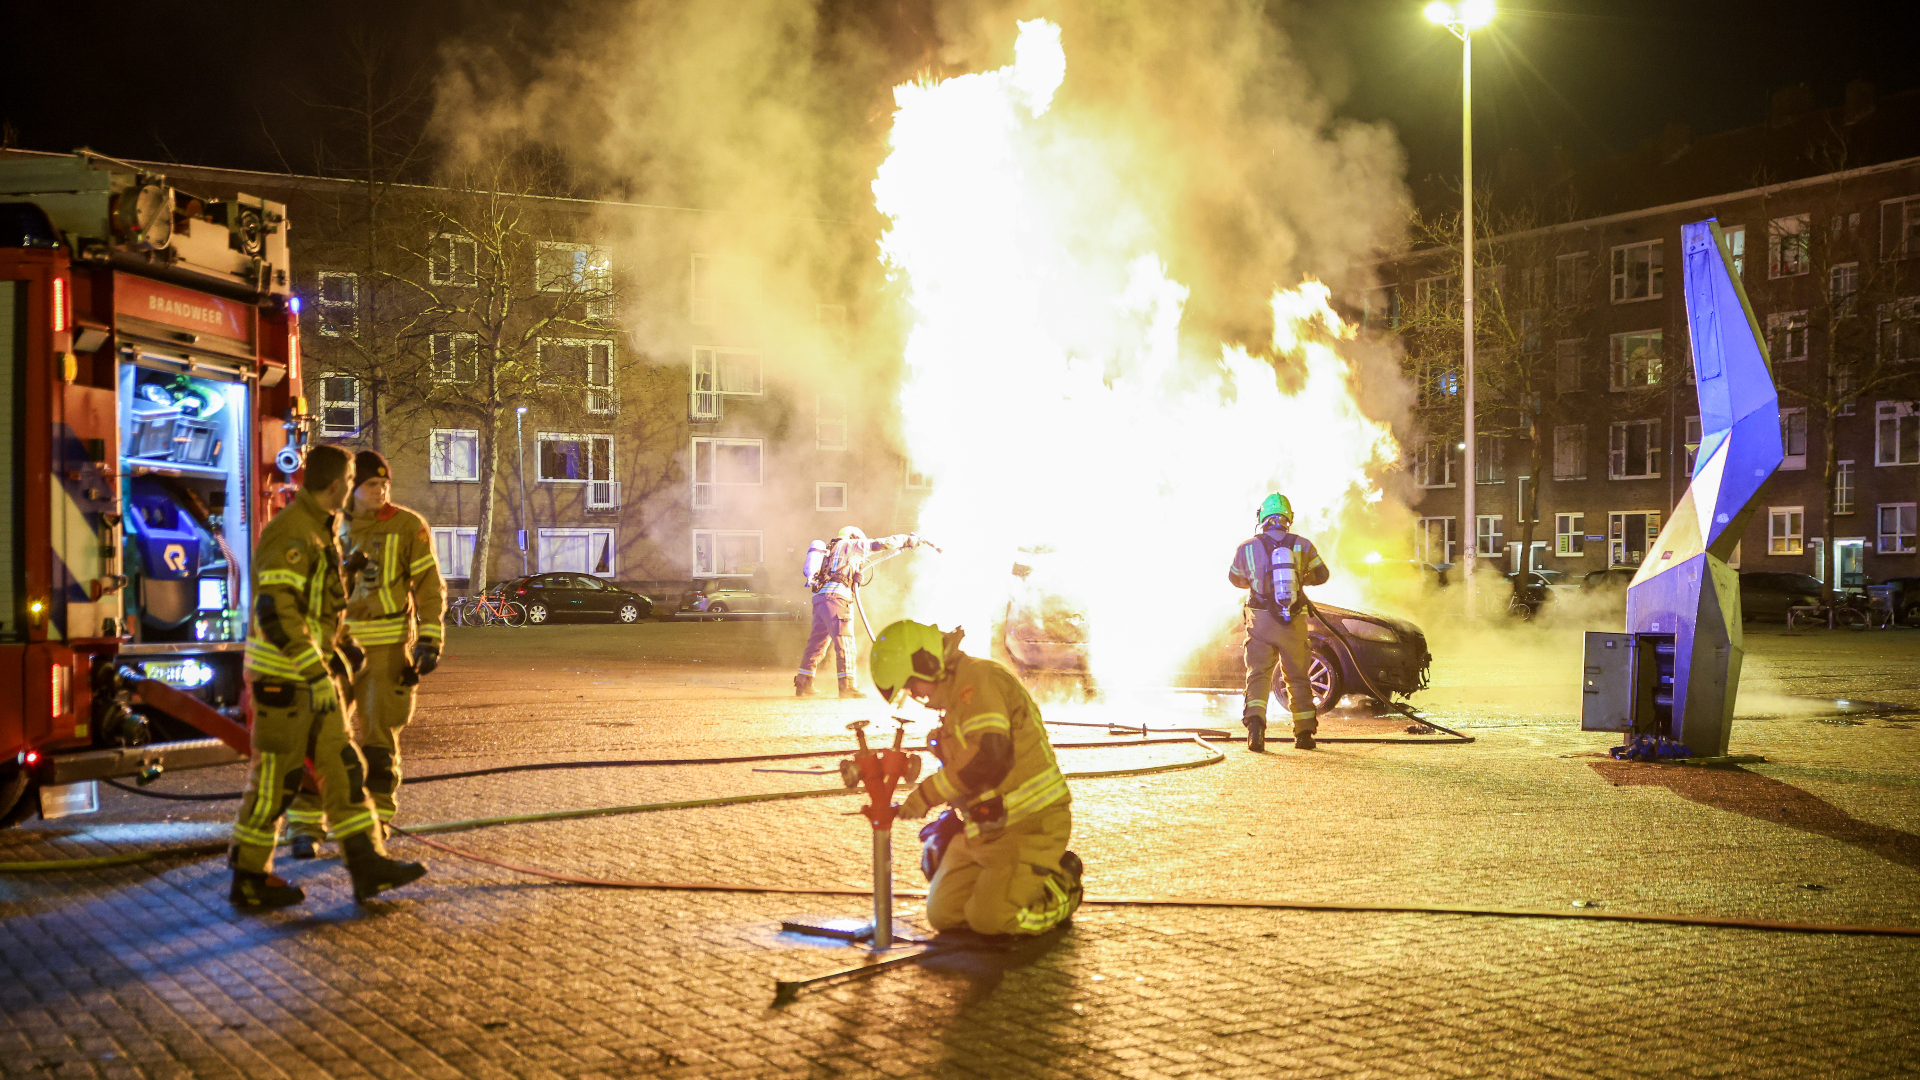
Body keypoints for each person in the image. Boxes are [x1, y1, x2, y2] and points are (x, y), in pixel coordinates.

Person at [229, 444, 428, 908]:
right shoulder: (293, 532)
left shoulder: (320, 530)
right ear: (338, 485)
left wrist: (339, 652)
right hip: (287, 683)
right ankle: (247, 877)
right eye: (352, 480)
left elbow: (315, 606)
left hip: (313, 680)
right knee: (276, 782)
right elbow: (277, 612)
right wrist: (314, 670)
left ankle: (367, 865)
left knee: (343, 768)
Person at [871, 620, 1083, 936]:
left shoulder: (979, 682)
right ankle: (1007, 885)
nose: (913, 694)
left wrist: (927, 795)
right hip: (986, 828)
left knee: (993, 920)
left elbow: (988, 757)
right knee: (944, 914)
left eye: (911, 684)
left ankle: (1062, 886)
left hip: (1031, 824)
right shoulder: (955, 699)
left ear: (926, 662)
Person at [285, 450, 445, 857]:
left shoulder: (408, 526)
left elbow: (428, 587)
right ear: (351, 489)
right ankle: (305, 826)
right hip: (335, 649)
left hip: (386, 650)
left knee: (378, 738)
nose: (381, 491)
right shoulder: (330, 526)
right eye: (371, 485)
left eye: (384, 484)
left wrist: (429, 640)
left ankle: (377, 820)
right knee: (316, 738)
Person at [1228, 493, 1331, 752]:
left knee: (1259, 675)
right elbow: (1322, 574)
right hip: (1293, 621)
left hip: (1260, 620)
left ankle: (1255, 732)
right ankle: (1305, 734)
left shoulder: (1246, 547)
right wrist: (1299, 579)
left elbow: (1234, 578)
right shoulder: (1303, 545)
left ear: (1262, 518)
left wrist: (1257, 582)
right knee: (1297, 676)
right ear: (1288, 518)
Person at [795, 526, 923, 697]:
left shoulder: (830, 552)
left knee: (816, 644)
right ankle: (847, 687)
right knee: (845, 642)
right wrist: (906, 540)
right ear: (854, 536)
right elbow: (881, 544)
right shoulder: (849, 544)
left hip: (820, 599)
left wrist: (855, 580)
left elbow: (840, 578)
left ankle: (803, 683)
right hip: (836, 598)